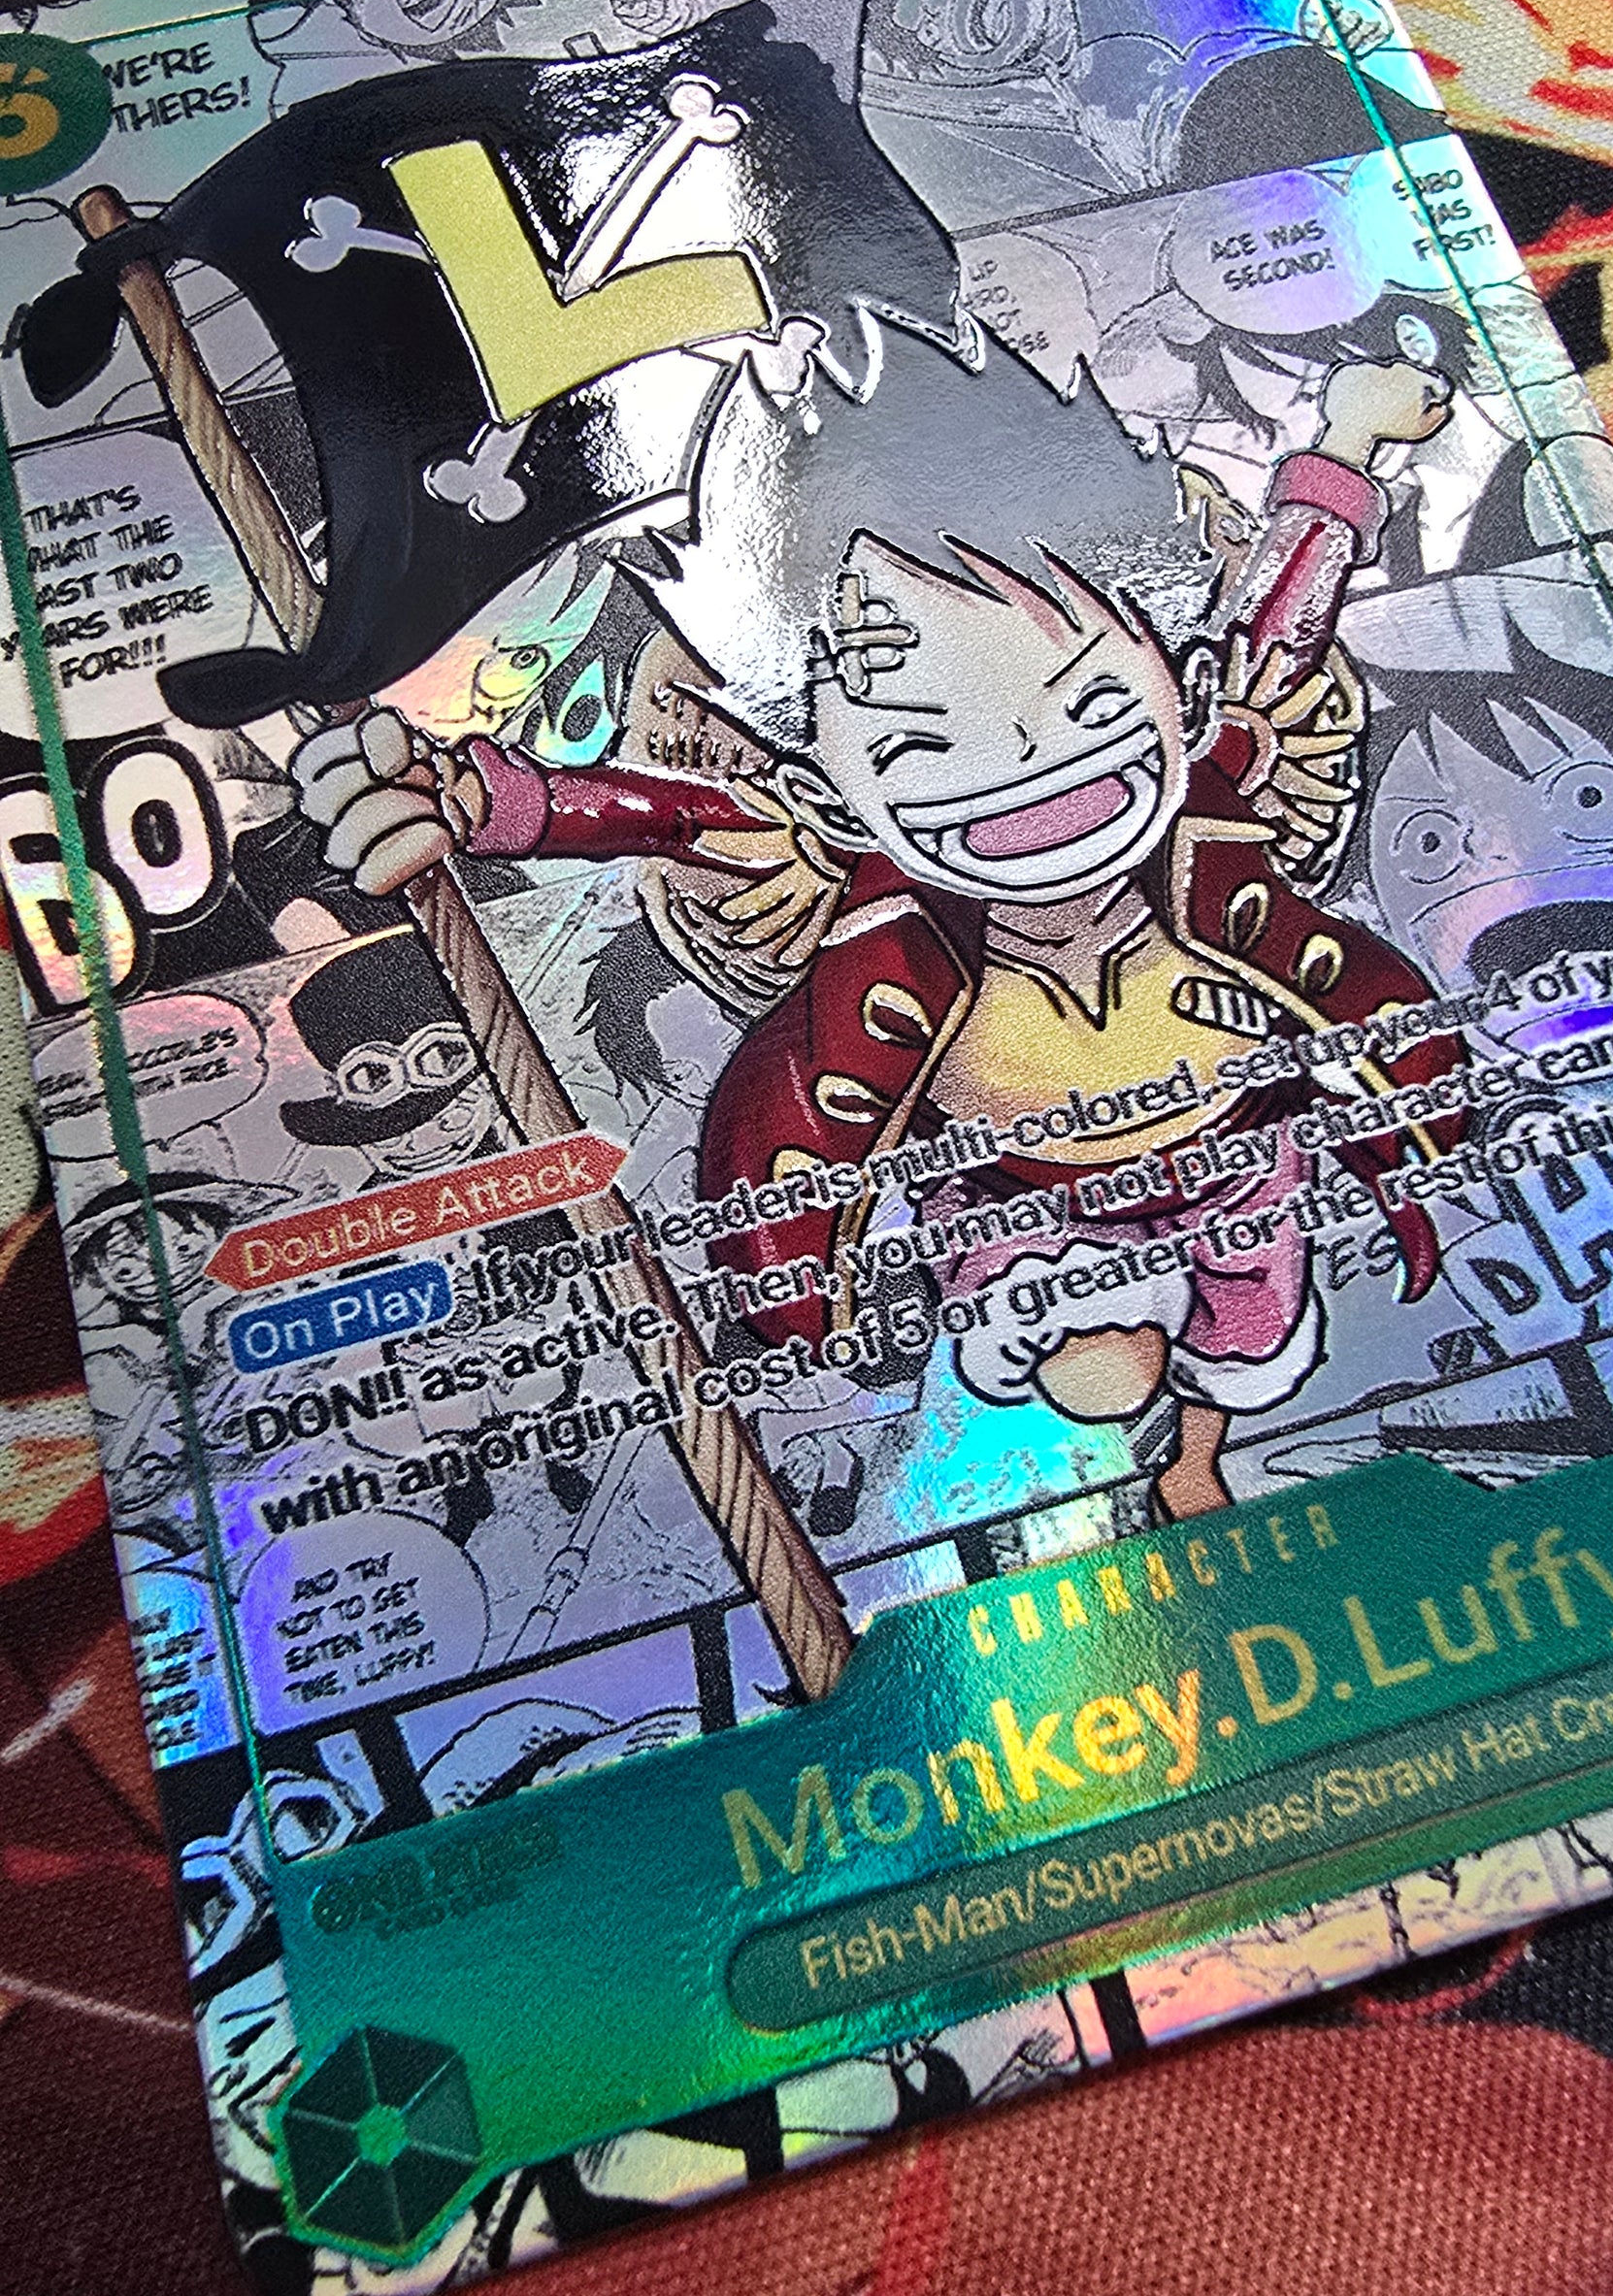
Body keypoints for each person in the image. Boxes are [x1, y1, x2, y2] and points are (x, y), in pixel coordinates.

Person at [291, 332, 1465, 1520]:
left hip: (1240, 1151)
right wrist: (473, 801)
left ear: (1181, 686)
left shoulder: (1211, 790)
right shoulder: (875, 904)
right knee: (1100, 1372)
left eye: (1091, 701)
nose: (1026, 764)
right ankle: (1145, 1424)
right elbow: (674, 815)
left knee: (1250, 1330)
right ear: (823, 789)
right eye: (922, 745)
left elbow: (1278, 624)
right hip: (1015, 1197)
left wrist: (1346, 444)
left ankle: (1196, 1457)